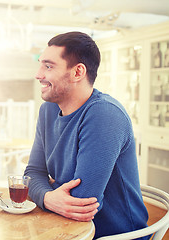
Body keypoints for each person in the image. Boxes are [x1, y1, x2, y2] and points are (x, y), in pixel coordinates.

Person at [24, 31, 149, 239]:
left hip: (112, 235)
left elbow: (81, 202)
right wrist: (47, 197)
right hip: (64, 228)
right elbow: (33, 172)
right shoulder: (48, 110)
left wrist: (44, 190)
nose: (38, 74)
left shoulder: (105, 114)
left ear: (77, 72)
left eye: (48, 66)